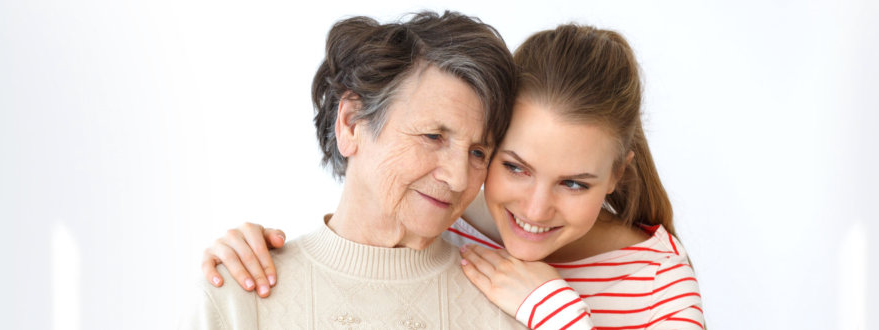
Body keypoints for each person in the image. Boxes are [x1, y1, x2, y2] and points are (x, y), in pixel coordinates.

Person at [203, 24, 706, 330]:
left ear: (617, 174)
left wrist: (559, 313)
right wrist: (250, 252)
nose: (533, 210)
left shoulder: (661, 286)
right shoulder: (450, 217)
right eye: (513, 167)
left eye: (574, 183)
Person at [191, 11, 524, 330]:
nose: (459, 178)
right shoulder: (238, 295)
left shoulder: (511, 302)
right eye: (433, 136)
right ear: (351, 124)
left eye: (478, 152)